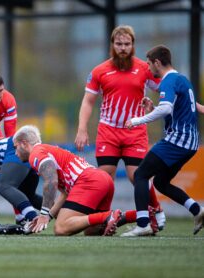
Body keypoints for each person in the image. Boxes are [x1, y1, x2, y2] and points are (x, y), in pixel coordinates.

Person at [74, 25, 166, 230]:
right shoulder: (100, 71)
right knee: (104, 180)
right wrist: (82, 129)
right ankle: (101, 220)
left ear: (133, 45)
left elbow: (165, 90)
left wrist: (155, 107)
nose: (123, 48)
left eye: (127, 44)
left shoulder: (145, 69)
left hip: (135, 132)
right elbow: (88, 101)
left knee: (137, 177)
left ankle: (157, 211)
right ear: (112, 45)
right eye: (119, 44)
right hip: (108, 133)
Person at [122, 45, 204, 236]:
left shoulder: (169, 80)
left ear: (157, 62)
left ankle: (143, 224)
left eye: (149, 64)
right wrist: (152, 108)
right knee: (161, 182)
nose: (149, 69)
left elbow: (166, 109)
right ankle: (197, 210)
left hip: (178, 141)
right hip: (190, 143)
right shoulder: (183, 79)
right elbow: (174, 111)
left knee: (140, 174)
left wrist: (137, 120)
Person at [14, 125, 126, 236]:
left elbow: (52, 181)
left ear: (24, 143)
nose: (15, 152)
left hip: (90, 181)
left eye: (16, 147)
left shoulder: (35, 154)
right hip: (103, 179)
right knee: (92, 231)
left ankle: (108, 216)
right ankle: (137, 216)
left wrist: (43, 213)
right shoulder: (47, 150)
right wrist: (48, 216)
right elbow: (65, 194)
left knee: (61, 228)